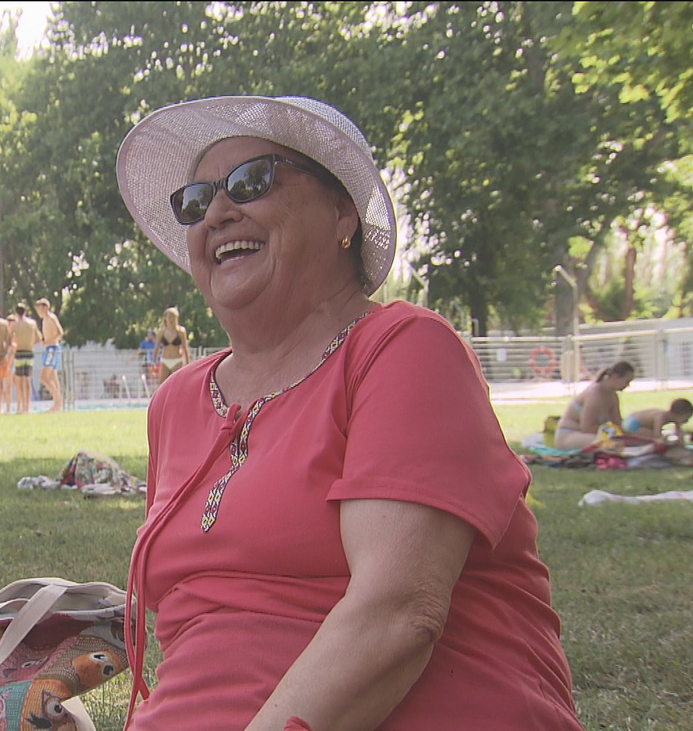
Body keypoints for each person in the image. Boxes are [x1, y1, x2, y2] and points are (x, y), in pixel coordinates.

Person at [115, 96, 580, 730]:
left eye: (251, 182)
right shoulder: (177, 400)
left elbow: (398, 613)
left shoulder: (403, 349)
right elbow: (201, 622)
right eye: (194, 202)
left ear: (342, 213)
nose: (218, 212)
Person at [553, 361, 635, 450]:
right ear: (616, 377)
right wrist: (611, 432)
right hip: (569, 435)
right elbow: (587, 428)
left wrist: (631, 435)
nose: (628, 385)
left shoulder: (613, 396)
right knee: (611, 444)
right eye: (627, 381)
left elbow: (617, 422)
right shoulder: (594, 394)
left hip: (588, 435)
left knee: (625, 442)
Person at [8, 303, 40, 414]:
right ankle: (27, 407)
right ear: (25, 312)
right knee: (27, 380)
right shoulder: (32, 323)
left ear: (16, 313)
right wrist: (30, 344)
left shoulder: (14, 325)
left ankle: (20, 406)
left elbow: (9, 340)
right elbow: (39, 338)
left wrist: (15, 344)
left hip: (19, 352)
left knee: (19, 381)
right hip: (29, 352)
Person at [34, 298, 65, 412]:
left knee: (43, 377)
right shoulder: (44, 320)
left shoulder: (51, 318)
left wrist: (49, 341)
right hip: (48, 348)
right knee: (52, 377)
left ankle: (58, 399)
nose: (38, 311)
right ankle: (57, 405)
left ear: (45, 307)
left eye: (39, 308)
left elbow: (60, 332)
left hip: (52, 348)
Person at [623, 398, 693, 442]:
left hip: (636, 421)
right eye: (686, 418)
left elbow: (679, 433)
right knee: (652, 437)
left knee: (656, 436)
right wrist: (663, 438)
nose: (686, 421)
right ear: (678, 415)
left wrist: (680, 441)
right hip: (632, 423)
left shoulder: (675, 418)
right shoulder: (660, 417)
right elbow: (657, 436)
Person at [155, 306, 191, 384]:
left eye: (173, 317)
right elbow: (156, 348)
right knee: (162, 384)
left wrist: (188, 363)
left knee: (177, 383)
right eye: (169, 317)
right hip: (165, 360)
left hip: (177, 360)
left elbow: (185, 347)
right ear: (165, 318)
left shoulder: (181, 331)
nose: (171, 319)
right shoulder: (161, 332)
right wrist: (153, 362)